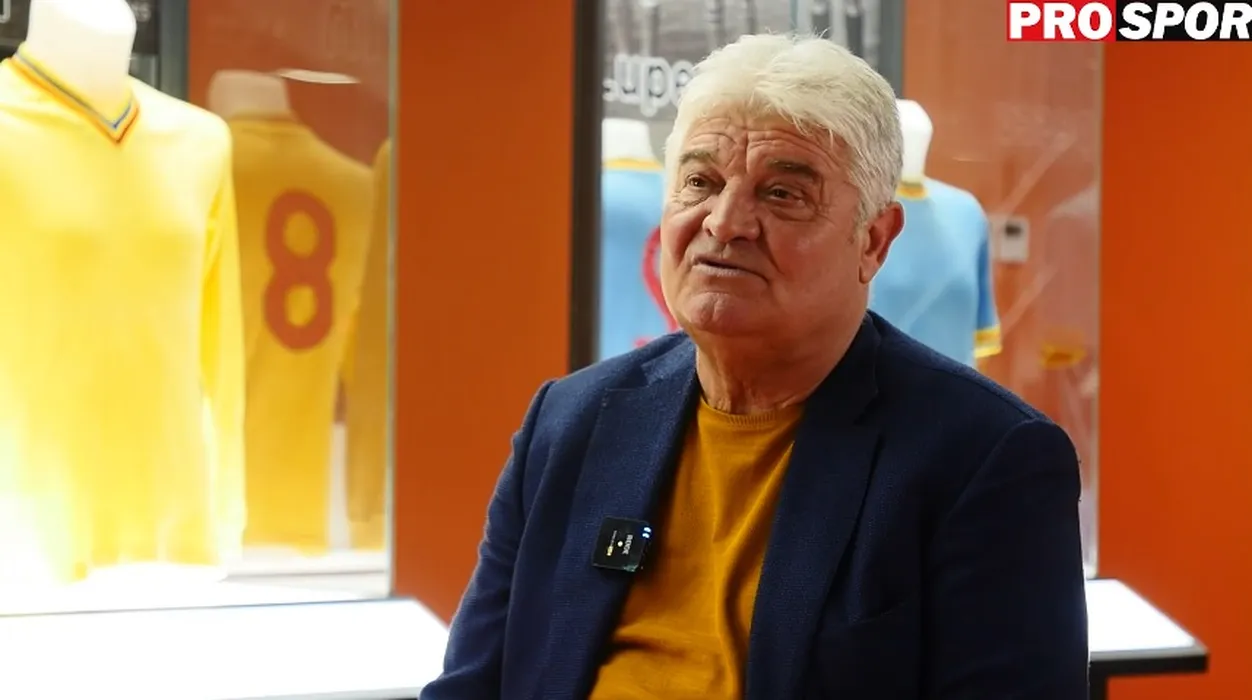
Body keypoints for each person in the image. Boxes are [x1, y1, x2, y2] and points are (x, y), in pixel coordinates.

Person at [421, 34, 1088, 699]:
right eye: (700, 182)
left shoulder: (987, 462)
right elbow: (471, 686)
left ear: (873, 241)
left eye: (782, 194)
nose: (725, 222)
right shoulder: (569, 423)